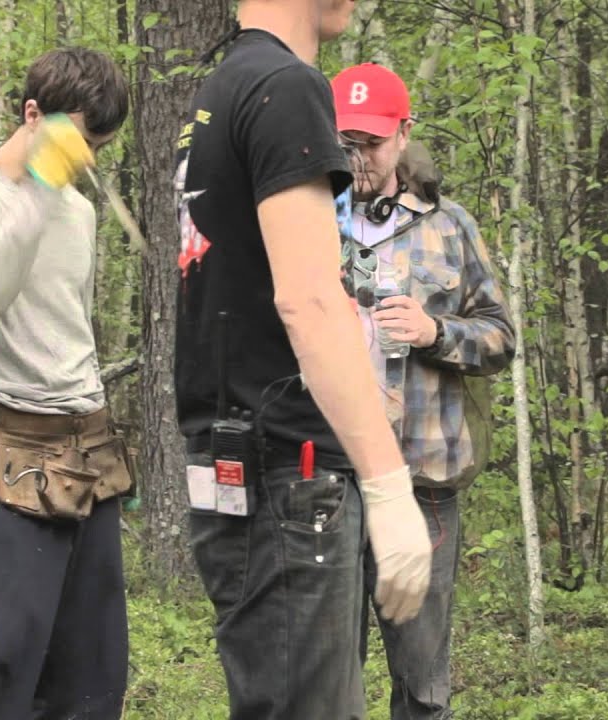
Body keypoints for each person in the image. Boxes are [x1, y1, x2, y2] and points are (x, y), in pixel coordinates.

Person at [172, 4, 433, 719]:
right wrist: (387, 485)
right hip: (286, 474)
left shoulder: (219, 90)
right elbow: (309, 301)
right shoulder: (286, 87)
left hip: (239, 461)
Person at [0, 47, 133, 718]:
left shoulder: (76, 211)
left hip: (87, 447)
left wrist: (54, 190)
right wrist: (42, 185)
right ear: (31, 114)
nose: (88, 159)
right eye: (80, 140)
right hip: (1, 448)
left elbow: (62, 328)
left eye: (97, 145)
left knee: (91, 674)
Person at [331, 63, 516, 720]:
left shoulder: (450, 226)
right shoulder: (308, 222)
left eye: (372, 142)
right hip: (331, 481)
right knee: (329, 680)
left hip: (424, 483)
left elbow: (501, 338)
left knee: (421, 684)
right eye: (345, 140)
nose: (358, 157)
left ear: (404, 134)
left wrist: (436, 330)